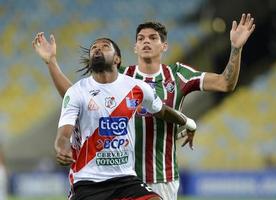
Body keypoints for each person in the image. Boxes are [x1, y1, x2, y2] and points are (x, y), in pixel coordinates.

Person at [32, 13, 255, 199]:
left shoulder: (178, 75)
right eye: (141, 38)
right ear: (135, 47)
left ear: (164, 45)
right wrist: (51, 62)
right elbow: (79, 94)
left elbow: (226, 83)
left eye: (153, 37)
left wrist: (236, 49)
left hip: (162, 176)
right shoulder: (122, 78)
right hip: (122, 175)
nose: (146, 41)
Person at [34, 36, 196, 200]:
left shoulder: (137, 87)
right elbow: (63, 135)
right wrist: (62, 148)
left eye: (105, 46)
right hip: (88, 182)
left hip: (125, 180)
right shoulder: (77, 91)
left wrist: (187, 122)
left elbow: (161, 110)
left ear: (117, 59)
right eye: (94, 48)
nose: (97, 48)